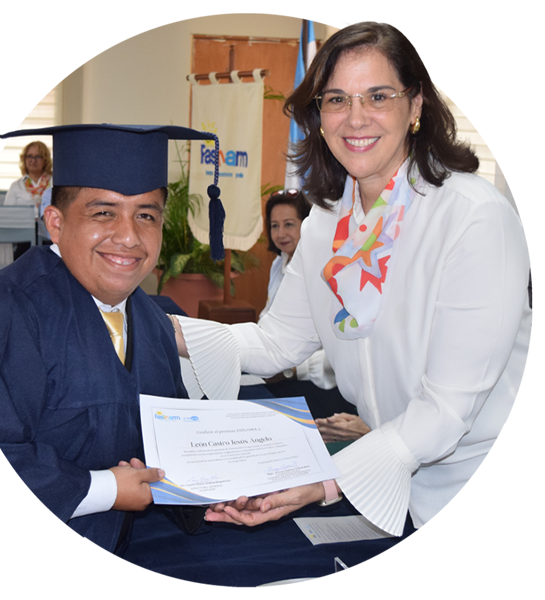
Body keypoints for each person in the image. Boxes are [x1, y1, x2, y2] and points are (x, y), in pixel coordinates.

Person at [173, 24, 532, 586]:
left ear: (416, 105)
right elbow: (275, 343)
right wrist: (148, 329)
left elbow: (445, 409)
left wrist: (323, 483)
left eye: (378, 96)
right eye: (337, 99)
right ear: (318, 116)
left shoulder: (471, 217)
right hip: (400, 482)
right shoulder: (326, 225)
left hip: (499, 487)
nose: (355, 118)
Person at [0, 124, 220, 583]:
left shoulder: (153, 320)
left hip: (123, 549)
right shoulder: (2, 311)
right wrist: (105, 489)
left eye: (147, 215)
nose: (129, 237)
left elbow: (172, 436)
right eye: (104, 212)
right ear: (56, 223)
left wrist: (222, 486)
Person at [261, 189, 369, 438]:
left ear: (307, 224)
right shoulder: (279, 264)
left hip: (324, 386)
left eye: (289, 224)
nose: (281, 233)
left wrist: (292, 371)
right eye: (275, 226)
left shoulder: (327, 269)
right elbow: (267, 320)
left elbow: (339, 349)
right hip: (286, 373)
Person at [4, 140, 53, 218]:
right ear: (24, 159)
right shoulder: (16, 186)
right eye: (29, 156)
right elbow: (7, 214)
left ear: (45, 160)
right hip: (22, 224)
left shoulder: (54, 183)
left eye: (38, 156)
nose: (33, 160)